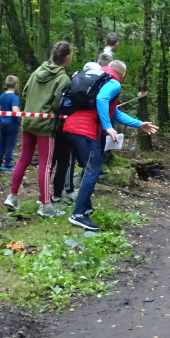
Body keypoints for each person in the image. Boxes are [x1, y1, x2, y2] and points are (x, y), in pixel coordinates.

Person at [63, 59, 158, 231]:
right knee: (93, 170)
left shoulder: (100, 80)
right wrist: (107, 127)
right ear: (124, 74)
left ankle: (85, 206)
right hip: (86, 131)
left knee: (89, 169)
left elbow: (114, 112)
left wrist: (139, 124)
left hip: (71, 127)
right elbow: (102, 100)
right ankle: (78, 214)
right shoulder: (113, 83)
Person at [5, 41, 73, 216]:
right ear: (66, 58)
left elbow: (26, 92)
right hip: (45, 125)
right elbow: (59, 104)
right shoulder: (63, 78)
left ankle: (12, 196)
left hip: (28, 121)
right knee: (46, 164)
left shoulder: (37, 71)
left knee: (23, 158)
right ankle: (46, 205)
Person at [0, 75, 21, 172]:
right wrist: (20, 115)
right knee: (10, 144)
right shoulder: (14, 97)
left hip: (2, 123)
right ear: (16, 85)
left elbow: (0, 108)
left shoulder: (2, 96)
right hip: (12, 123)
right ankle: (8, 165)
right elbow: (15, 110)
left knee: (2, 143)